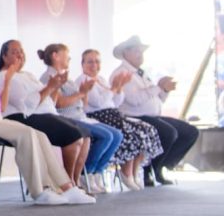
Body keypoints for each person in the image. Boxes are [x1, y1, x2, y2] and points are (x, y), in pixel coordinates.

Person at [0, 33, 94, 206]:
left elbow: (0, 108)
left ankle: (67, 187)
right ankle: (40, 191)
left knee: (40, 135)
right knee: (25, 133)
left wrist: (7, 80)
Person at [0, 40, 91, 188]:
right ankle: (67, 183)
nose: (20, 55)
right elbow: (27, 104)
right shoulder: (4, 76)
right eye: (14, 52)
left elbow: (49, 102)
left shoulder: (28, 74)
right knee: (74, 136)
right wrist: (50, 87)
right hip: (24, 117)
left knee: (85, 134)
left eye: (21, 51)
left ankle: (75, 181)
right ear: (5, 57)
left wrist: (55, 87)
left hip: (45, 114)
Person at [110, 35, 200, 186]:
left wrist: (164, 90)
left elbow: (156, 99)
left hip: (152, 115)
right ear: (125, 53)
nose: (140, 55)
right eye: (136, 51)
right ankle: (149, 171)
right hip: (134, 116)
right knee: (168, 132)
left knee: (190, 132)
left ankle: (161, 165)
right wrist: (158, 87)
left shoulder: (142, 72)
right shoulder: (122, 73)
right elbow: (134, 100)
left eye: (141, 51)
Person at [36, 43, 123, 193]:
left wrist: (84, 93)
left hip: (80, 116)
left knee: (116, 134)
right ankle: (83, 175)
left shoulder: (66, 77)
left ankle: (90, 175)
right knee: (104, 136)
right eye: (66, 54)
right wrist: (82, 93)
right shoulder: (49, 77)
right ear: (55, 56)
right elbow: (59, 103)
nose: (69, 58)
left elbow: (82, 103)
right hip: (65, 117)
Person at [77, 49, 163, 191]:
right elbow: (98, 103)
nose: (94, 65)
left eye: (97, 61)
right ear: (83, 64)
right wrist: (114, 88)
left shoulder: (101, 79)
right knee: (128, 134)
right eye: (90, 62)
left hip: (113, 113)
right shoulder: (83, 80)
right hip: (99, 116)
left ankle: (133, 173)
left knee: (146, 130)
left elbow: (116, 102)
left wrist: (119, 88)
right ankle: (123, 173)